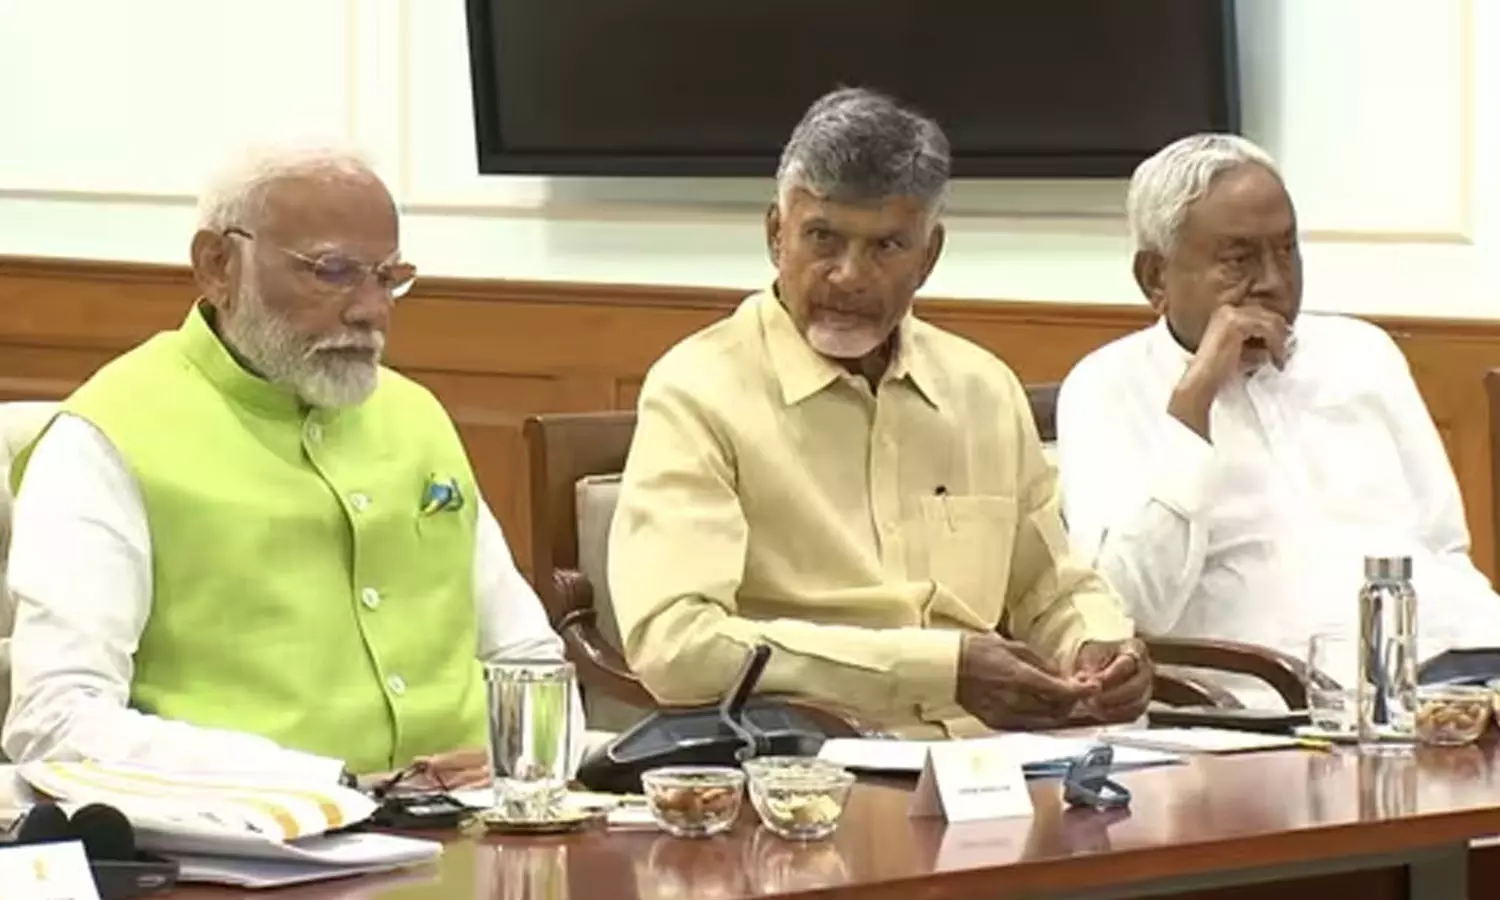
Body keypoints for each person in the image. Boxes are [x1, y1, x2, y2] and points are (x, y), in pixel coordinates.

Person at [2, 144, 580, 784]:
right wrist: (320, 782)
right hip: (259, 829)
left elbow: (527, 656)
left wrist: (526, 764)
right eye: (333, 271)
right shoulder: (106, 436)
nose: (371, 310)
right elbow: (56, 720)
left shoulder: (415, 415)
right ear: (218, 266)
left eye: (387, 277)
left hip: (483, 819)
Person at [607, 88, 1151, 738]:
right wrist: (936, 669)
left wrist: (1099, 645)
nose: (848, 275)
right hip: (808, 766)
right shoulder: (697, 391)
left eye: (887, 246)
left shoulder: (982, 388)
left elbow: (1050, 586)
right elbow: (676, 647)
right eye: (822, 238)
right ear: (776, 235)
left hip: (994, 764)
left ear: (929, 256)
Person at [1056, 133, 1500, 705]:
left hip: (1460, 675)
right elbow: (1127, 605)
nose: (1273, 281)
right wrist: (1193, 402)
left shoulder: (1362, 354)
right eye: (1238, 260)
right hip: (1285, 702)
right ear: (1155, 278)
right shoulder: (1106, 386)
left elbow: (1444, 545)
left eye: (1286, 251)